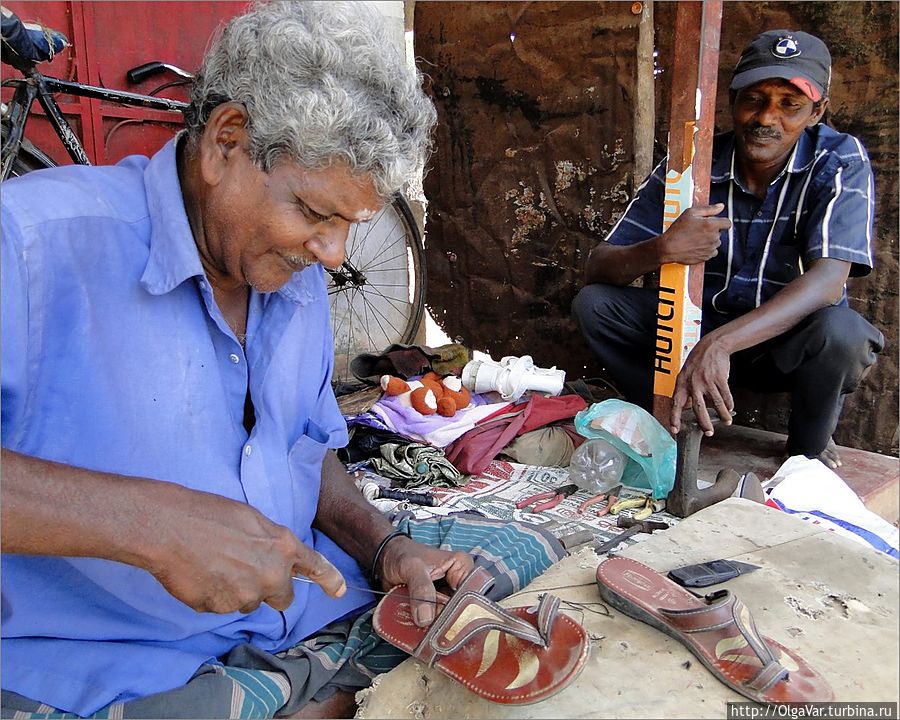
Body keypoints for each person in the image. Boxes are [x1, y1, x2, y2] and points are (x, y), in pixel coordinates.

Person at [0, 4, 565, 718]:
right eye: (313, 214)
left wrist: (385, 549)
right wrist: (149, 527)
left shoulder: (288, 279)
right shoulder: (29, 244)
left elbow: (304, 446)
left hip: (304, 622)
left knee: (516, 572)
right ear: (225, 141)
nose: (331, 256)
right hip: (129, 665)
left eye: (349, 227)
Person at [572, 29, 884, 469]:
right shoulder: (694, 162)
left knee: (843, 334)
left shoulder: (839, 159)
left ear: (817, 113)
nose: (767, 118)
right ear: (733, 103)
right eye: (754, 99)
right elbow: (598, 267)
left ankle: (807, 451)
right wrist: (662, 248)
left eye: (789, 105)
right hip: (693, 336)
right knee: (596, 306)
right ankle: (675, 418)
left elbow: (829, 281)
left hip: (782, 342)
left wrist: (719, 345)